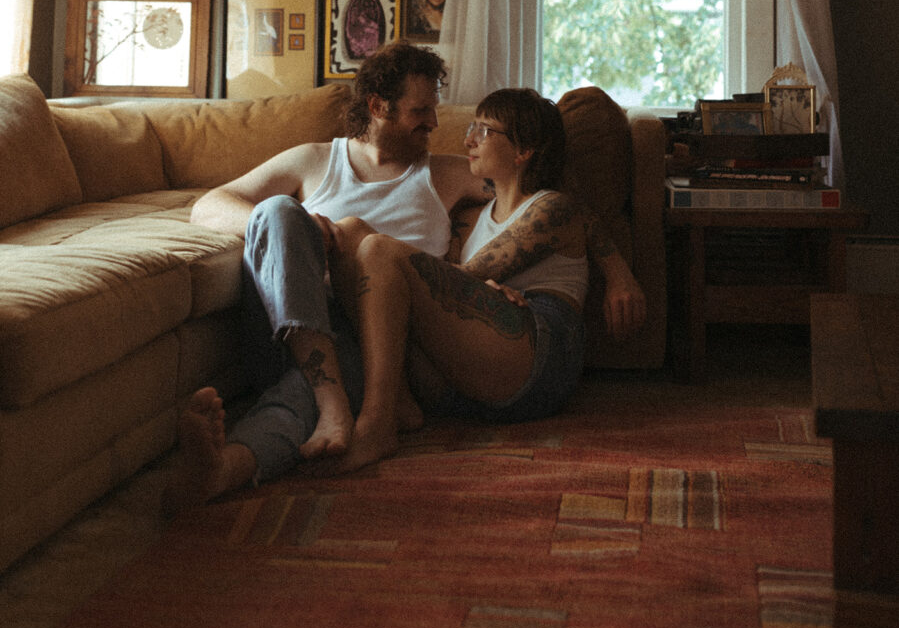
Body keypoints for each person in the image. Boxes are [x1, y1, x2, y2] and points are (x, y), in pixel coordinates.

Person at [165, 50, 646, 509]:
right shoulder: (312, 160)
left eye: (444, 113)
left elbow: (558, 201)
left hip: (367, 339)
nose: (441, 125)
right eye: (422, 110)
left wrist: (615, 269)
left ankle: (226, 468)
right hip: (286, 317)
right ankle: (345, 400)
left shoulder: (449, 175)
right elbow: (208, 205)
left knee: (312, 382)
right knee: (279, 212)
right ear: (378, 106)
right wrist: (304, 229)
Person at [319, 88, 612, 473]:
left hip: (539, 360)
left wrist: (618, 272)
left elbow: (466, 277)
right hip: (472, 370)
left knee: (378, 250)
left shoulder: (550, 207)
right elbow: (450, 294)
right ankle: (402, 399)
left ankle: (378, 421)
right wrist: (473, 289)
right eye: (472, 127)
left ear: (523, 150)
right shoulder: (471, 218)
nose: (468, 139)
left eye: (484, 131)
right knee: (350, 231)